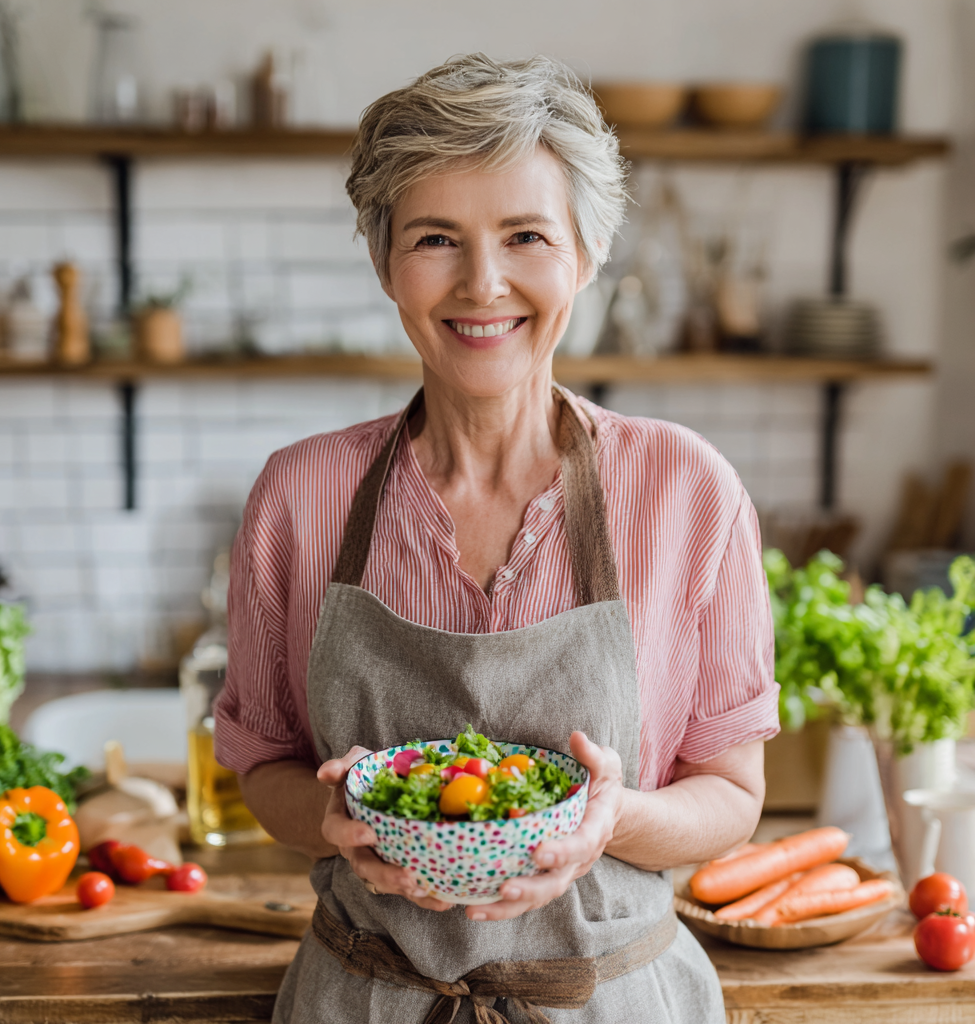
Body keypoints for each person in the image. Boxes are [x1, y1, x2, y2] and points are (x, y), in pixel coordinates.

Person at [214, 53, 779, 1024]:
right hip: (363, 1001)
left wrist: (612, 821)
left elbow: (730, 791)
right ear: (384, 257)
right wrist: (338, 822)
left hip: (615, 1001)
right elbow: (262, 768)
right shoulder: (300, 496)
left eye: (526, 235)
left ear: (586, 253)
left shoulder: (687, 490)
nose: (483, 284)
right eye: (436, 238)